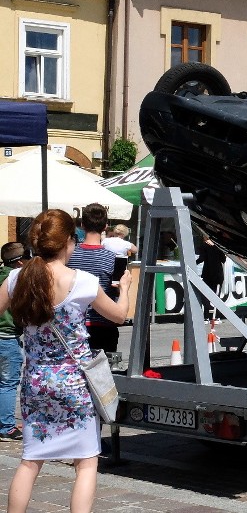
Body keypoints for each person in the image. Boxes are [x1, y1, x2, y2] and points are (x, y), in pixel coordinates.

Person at [0, 209, 131, 513]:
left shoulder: (18, 277)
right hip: (74, 382)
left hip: (35, 381)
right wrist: (124, 289)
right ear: (68, 243)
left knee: (31, 461)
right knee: (85, 463)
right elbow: (118, 316)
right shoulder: (82, 281)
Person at [67, 203, 122, 353]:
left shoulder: (69, 256)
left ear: (82, 225)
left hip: (72, 325)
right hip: (104, 325)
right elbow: (118, 291)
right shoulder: (113, 259)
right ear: (105, 226)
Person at [0, 243, 30, 441]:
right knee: (8, 384)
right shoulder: (16, 281)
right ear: (20, 262)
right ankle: (7, 427)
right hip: (8, 337)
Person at [196, 236, 226, 319]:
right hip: (218, 274)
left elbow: (201, 259)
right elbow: (223, 260)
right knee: (216, 296)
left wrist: (193, 263)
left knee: (206, 295)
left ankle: (206, 316)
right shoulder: (218, 246)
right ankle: (216, 317)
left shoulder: (204, 246)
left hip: (207, 274)